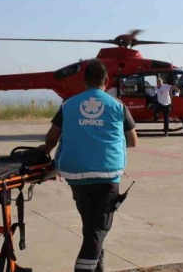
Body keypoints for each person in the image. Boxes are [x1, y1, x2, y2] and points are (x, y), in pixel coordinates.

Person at [38, 59, 138, 272]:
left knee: (90, 226)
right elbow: (133, 141)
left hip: (76, 175)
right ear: (107, 80)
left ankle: (97, 267)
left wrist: (44, 149)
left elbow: (52, 137)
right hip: (107, 174)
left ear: (84, 81)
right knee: (98, 229)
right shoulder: (118, 106)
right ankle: (83, 269)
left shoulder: (68, 104)